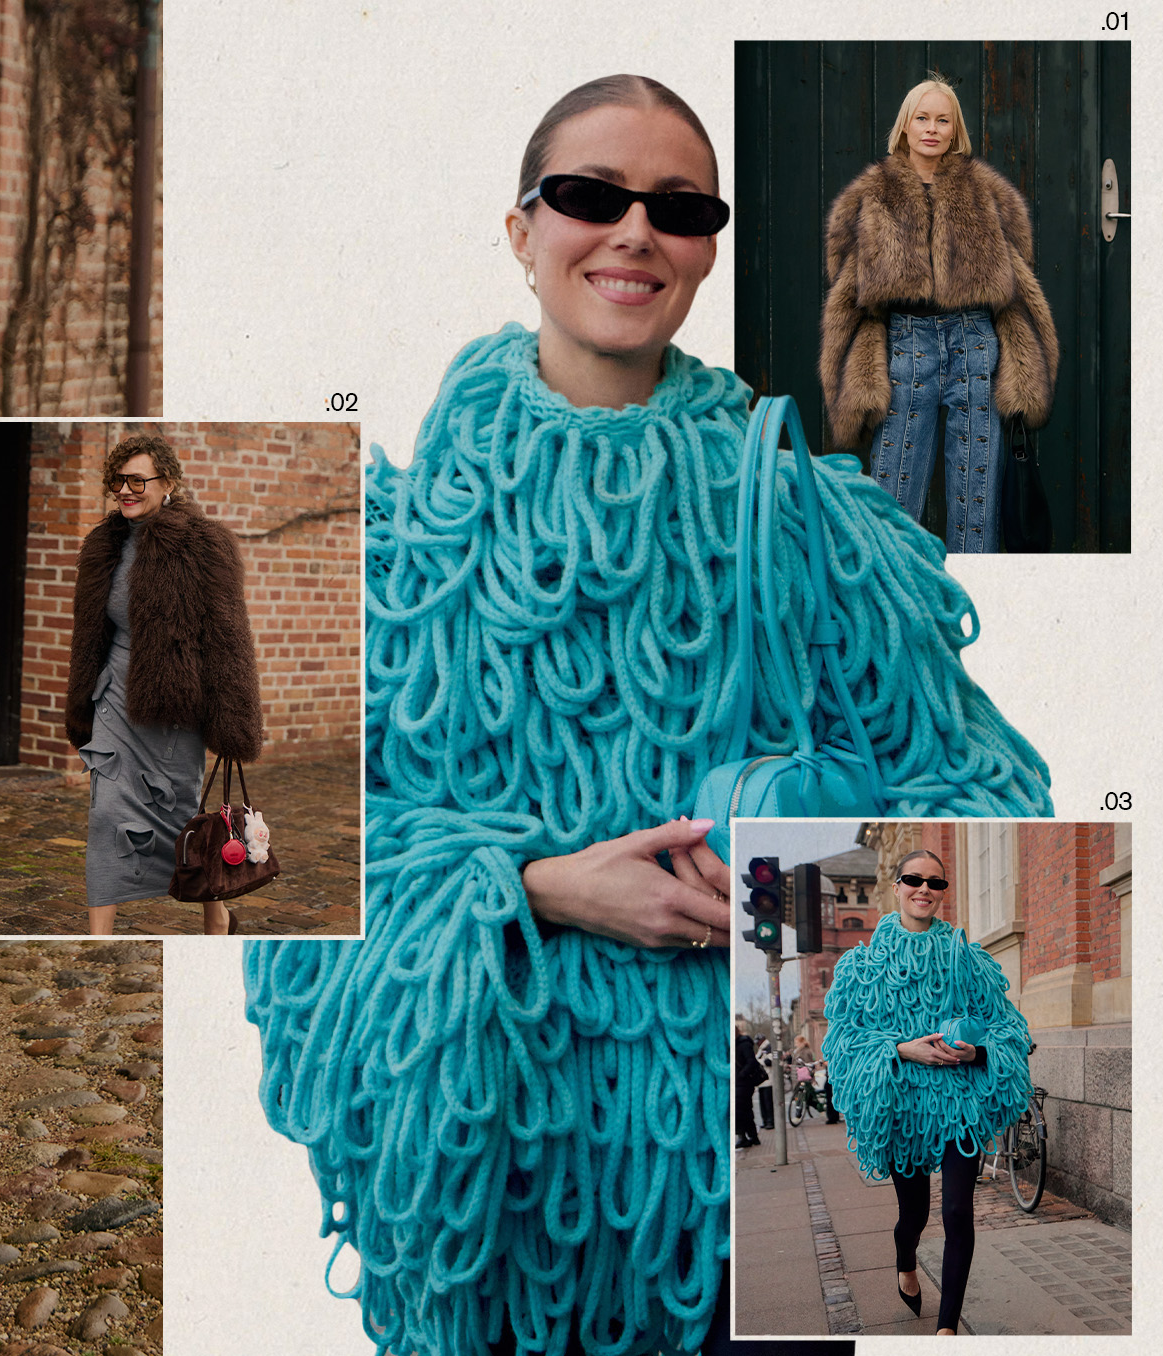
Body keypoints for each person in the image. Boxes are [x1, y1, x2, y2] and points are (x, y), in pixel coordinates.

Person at [243, 73, 1052, 1356]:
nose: (634, 230)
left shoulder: (806, 521)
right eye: (588, 195)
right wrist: (534, 880)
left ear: (707, 247)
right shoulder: (396, 546)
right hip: (500, 1166)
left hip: (721, 1214)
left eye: (677, 207)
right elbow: (285, 865)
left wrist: (791, 839)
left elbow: (979, 777)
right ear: (522, 229)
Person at [818, 74, 1058, 553]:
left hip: (975, 344)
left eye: (942, 119)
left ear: (955, 130)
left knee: (977, 499)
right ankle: (891, 599)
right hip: (907, 347)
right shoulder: (871, 194)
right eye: (921, 118)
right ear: (905, 126)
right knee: (892, 490)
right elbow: (844, 283)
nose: (931, 128)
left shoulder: (986, 193)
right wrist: (851, 371)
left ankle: (977, 604)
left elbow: (1018, 278)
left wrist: (1027, 362)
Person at [822, 852, 1030, 1336]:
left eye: (935, 882)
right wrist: (901, 1049)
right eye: (913, 879)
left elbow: (1009, 1030)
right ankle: (906, 1261)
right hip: (901, 1102)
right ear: (895, 887)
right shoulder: (862, 965)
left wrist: (975, 1054)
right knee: (912, 1213)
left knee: (958, 1209)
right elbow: (845, 1040)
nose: (924, 888)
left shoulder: (968, 958)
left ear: (942, 891)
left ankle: (947, 1330)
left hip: (958, 1099)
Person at [63, 434, 264, 935]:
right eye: (118, 481)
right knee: (107, 813)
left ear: (167, 482)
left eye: (137, 480)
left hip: (174, 710)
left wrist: (233, 721)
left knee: (187, 824)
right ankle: (98, 938)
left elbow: (228, 637)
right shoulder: (102, 545)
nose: (126, 491)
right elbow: (91, 633)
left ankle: (217, 918)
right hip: (113, 698)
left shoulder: (204, 544)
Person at [735, 1020, 766, 1148]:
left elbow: (751, 1062)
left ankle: (744, 1136)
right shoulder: (737, 1044)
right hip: (739, 1082)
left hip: (744, 1083)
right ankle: (751, 1136)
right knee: (744, 1110)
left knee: (739, 1110)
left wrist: (741, 1075)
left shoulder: (743, 1044)